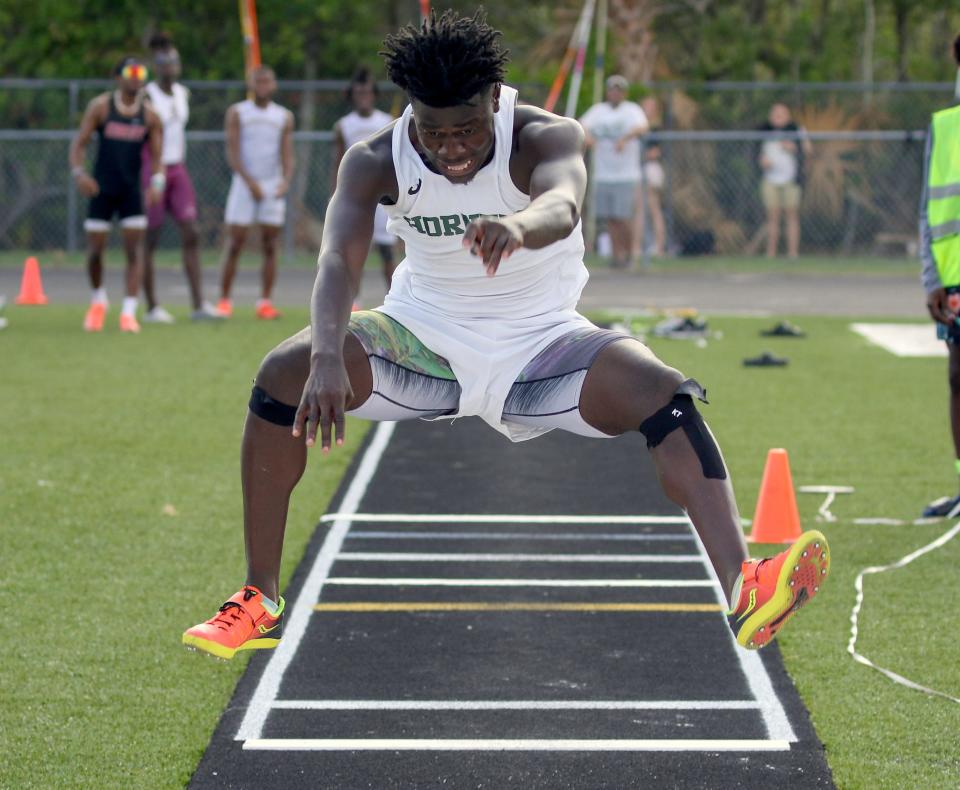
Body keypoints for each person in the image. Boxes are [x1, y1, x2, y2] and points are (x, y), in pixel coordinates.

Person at [182, 10, 830, 660]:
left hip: (539, 343)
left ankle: (744, 585)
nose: (452, 148)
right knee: (283, 372)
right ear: (411, 114)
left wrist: (518, 227)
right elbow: (337, 260)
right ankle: (258, 599)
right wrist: (326, 356)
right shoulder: (376, 159)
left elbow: (563, 204)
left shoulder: (547, 136)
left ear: (495, 98)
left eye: (466, 129)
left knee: (659, 389)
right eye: (434, 134)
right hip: (422, 338)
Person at [69, 56, 164, 333]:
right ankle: (98, 301)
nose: (136, 77)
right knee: (96, 251)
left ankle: (128, 312)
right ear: (118, 77)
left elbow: (158, 157)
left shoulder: (150, 115)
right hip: (102, 188)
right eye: (130, 71)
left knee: (134, 251)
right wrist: (80, 174)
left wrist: (156, 184)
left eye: (141, 72)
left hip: (130, 190)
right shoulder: (101, 107)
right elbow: (79, 145)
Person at [140, 33, 221, 324]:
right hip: (153, 167)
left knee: (191, 232)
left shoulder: (182, 93)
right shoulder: (148, 95)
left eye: (175, 60)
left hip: (178, 167)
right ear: (156, 65)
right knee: (150, 237)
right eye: (165, 62)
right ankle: (151, 307)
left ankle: (199, 304)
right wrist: (154, 174)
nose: (171, 66)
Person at [216, 65, 294, 320]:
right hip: (244, 184)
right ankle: (225, 301)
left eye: (267, 81)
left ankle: (265, 302)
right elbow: (233, 152)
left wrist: (285, 180)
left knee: (270, 244)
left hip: (272, 185)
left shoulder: (283, 116)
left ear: (273, 85)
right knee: (235, 241)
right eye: (258, 81)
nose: (262, 85)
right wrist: (250, 183)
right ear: (250, 84)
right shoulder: (238, 112)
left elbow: (287, 152)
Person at [919, 33, 960, 518]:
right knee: (957, 377)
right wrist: (932, 278)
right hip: (953, 284)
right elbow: (929, 211)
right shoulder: (944, 127)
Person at [333, 66, 399, 287]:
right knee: (354, 250)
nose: (364, 97)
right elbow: (339, 161)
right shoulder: (343, 125)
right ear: (352, 95)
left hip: (382, 194)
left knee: (387, 250)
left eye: (368, 92)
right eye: (359, 92)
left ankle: (393, 297)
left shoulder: (387, 121)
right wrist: (336, 192)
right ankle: (353, 301)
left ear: (374, 95)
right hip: (354, 194)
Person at [579, 75, 648, 268]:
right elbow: (581, 125)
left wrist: (625, 139)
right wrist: (588, 138)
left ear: (624, 93)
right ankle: (617, 256)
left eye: (619, 90)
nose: (615, 93)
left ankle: (631, 253)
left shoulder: (631, 110)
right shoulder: (598, 111)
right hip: (603, 173)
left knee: (624, 216)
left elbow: (643, 127)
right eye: (612, 89)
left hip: (626, 174)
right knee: (610, 218)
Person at [758, 102, 811, 259]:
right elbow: (753, 151)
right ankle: (771, 253)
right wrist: (761, 161)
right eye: (775, 114)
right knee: (772, 216)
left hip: (791, 180)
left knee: (791, 215)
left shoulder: (796, 130)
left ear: (788, 116)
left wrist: (794, 148)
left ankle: (792, 253)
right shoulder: (763, 130)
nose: (777, 117)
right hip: (770, 179)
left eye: (781, 114)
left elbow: (808, 151)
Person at [632, 94, 667, 261]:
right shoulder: (639, 126)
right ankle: (638, 247)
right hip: (639, 169)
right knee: (640, 210)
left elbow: (655, 152)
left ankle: (658, 247)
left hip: (651, 170)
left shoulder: (654, 128)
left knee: (653, 208)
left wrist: (638, 156)